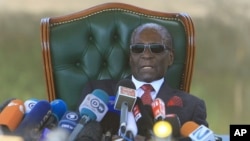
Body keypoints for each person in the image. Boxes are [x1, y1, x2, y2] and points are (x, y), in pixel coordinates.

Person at [78, 23, 208, 140]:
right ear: (130, 58)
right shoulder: (97, 92)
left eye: (156, 48)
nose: (146, 55)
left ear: (170, 58)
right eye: (138, 48)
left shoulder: (192, 106)